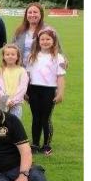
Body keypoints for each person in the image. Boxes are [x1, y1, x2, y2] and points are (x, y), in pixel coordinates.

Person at [26, 27, 66, 155]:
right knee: (36, 118)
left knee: (45, 118)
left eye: (48, 39)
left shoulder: (58, 58)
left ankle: (47, 145)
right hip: (34, 90)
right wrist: (26, 91)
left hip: (49, 90)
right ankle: (35, 144)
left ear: (53, 41)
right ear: (38, 41)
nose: (45, 41)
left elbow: (60, 77)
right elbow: (27, 75)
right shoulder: (32, 56)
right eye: (42, 39)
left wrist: (60, 93)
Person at [12, 2, 58, 68]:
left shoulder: (49, 30)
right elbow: (12, 48)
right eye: (30, 12)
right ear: (26, 15)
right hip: (21, 69)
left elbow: (57, 49)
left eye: (35, 12)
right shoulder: (19, 31)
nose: (32, 15)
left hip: (41, 70)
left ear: (41, 14)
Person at [0, 44, 29, 119]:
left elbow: (23, 88)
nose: (10, 56)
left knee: (15, 122)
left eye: (13, 54)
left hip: (16, 103)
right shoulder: (0, 70)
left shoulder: (22, 71)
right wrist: (6, 100)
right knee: (2, 123)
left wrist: (13, 101)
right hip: (3, 102)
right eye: (7, 54)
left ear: (17, 57)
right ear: (3, 57)